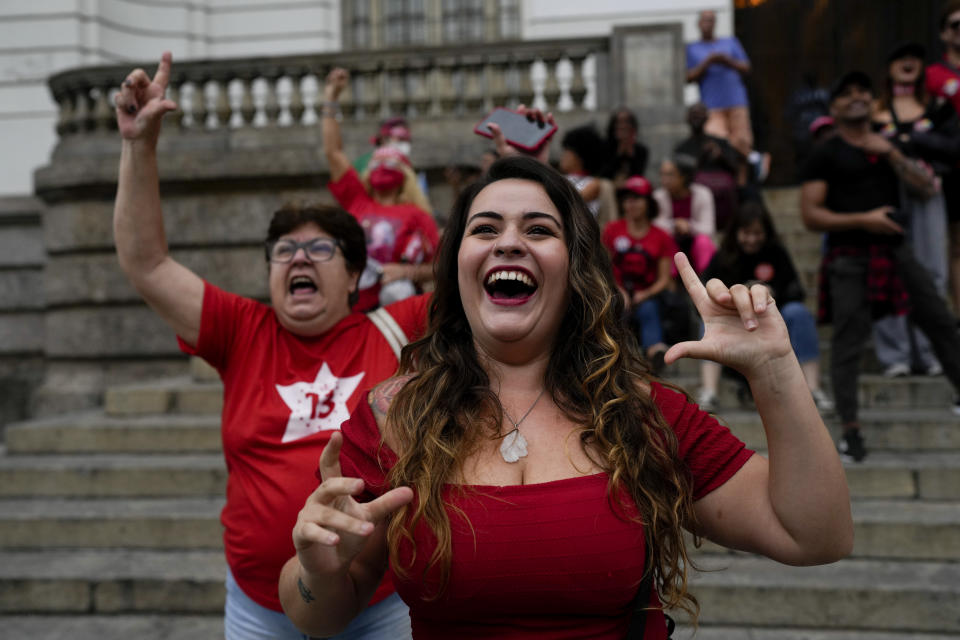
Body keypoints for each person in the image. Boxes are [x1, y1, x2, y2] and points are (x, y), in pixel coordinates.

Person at [279, 155, 853, 639]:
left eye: (538, 229)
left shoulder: (643, 412)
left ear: (575, 266)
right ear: (456, 266)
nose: (508, 242)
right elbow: (316, 613)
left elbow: (815, 535)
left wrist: (776, 371)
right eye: (484, 229)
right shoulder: (393, 416)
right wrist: (321, 572)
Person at [112, 52, 420, 640]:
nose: (299, 257)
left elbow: (485, 286)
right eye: (284, 250)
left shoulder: (399, 326)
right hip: (259, 612)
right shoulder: (240, 328)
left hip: (381, 605)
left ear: (355, 276)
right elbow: (147, 264)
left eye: (321, 249)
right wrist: (138, 144)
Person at [800, 70, 960, 464]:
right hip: (849, 256)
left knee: (939, 318)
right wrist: (864, 219)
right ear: (834, 106)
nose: (857, 98)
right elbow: (810, 215)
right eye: (847, 93)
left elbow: (923, 186)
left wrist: (890, 152)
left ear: (873, 102)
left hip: (895, 250)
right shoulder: (825, 151)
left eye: (863, 92)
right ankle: (850, 432)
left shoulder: (889, 146)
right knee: (848, 343)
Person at [872, 41, 959, 378]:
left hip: (928, 195)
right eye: (899, 57)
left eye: (914, 58)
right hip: (885, 196)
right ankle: (896, 354)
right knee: (888, 275)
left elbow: (953, 147)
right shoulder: (875, 109)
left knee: (933, 272)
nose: (908, 63)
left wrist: (907, 143)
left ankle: (930, 350)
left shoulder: (937, 107)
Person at [697, 200, 833, 413]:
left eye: (757, 233)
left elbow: (796, 291)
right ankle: (709, 391)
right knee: (711, 320)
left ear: (766, 232)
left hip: (771, 319)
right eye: (746, 233)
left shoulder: (776, 253)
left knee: (799, 312)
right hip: (734, 322)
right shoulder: (724, 256)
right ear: (736, 232)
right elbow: (705, 292)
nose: (751, 239)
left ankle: (813, 389)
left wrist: (771, 292)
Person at [322, 68, 439, 312]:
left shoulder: (418, 214)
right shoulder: (357, 200)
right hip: (350, 312)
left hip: (397, 315)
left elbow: (442, 267)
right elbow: (333, 152)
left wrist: (406, 272)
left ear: (405, 174)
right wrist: (331, 97)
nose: (384, 166)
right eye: (378, 161)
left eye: (392, 162)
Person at [602, 175, 676, 373]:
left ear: (648, 202)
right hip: (617, 291)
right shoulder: (612, 230)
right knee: (615, 308)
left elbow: (664, 279)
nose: (631, 203)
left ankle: (655, 353)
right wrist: (619, 291)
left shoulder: (661, 236)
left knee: (648, 308)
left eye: (636, 198)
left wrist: (644, 294)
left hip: (647, 294)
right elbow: (603, 267)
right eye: (627, 199)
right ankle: (613, 356)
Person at [925, 0, 960, 315]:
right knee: (955, 244)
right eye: (955, 25)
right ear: (944, 33)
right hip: (952, 170)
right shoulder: (932, 75)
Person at [685, 9, 753, 157]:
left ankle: (745, 177)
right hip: (712, 105)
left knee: (742, 143)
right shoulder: (692, 48)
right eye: (705, 20)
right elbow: (688, 77)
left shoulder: (730, 42)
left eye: (711, 20)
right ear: (698, 23)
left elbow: (746, 67)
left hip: (736, 101)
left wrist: (726, 60)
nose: (708, 24)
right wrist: (708, 62)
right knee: (717, 143)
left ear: (715, 23)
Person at [675, 102, 743, 232]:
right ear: (687, 118)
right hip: (696, 193)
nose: (697, 118)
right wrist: (702, 156)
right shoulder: (681, 148)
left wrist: (720, 156)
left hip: (724, 192)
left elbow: (735, 169)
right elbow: (682, 176)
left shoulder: (720, 143)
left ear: (707, 117)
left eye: (700, 114)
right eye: (694, 115)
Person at [653, 155, 717, 273]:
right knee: (665, 240)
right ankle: (669, 283)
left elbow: (709, 229)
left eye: (670, 175)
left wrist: (688, 226)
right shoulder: (658, 196)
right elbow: (655, 225)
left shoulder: (703, 194)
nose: (664, 179)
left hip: (694, 242)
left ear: (684, 177)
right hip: (673, 242)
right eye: (662, 174)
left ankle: (706, 279)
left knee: (703, 242)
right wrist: (675, 224)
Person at [558, 123, 605, 217]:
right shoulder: (560, 178)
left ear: (579, 157)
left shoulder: (593, 183)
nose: (563, 156)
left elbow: (569, 202)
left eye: (567, 152)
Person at [600, 107, 650, 186]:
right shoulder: (604, 147)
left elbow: (639, 176)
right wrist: (619, 153)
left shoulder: (641, 150)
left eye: (626, 122)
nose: (622, 126)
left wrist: (630, 152)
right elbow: (602, 176)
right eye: (618, 122)